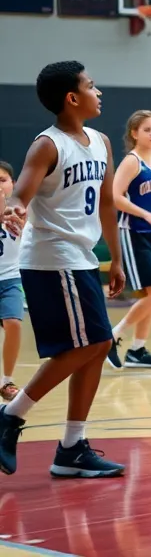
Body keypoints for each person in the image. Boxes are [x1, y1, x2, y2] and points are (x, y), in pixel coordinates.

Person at [0, 61, 126, 479]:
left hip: (83, 258)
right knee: (89, 345)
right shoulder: (47, 145)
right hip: (52, 258)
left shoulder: (102, 142)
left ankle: (72, 447)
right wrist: (15, 211)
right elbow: (21, 191)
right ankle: (11, 415)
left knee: (96, 346)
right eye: (92, 86)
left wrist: (116, 256)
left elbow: (107, 203)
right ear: (73, 98)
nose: (99, 91)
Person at [108, 110, 151, 370]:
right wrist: (146, 215)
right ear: (134, 134)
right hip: (132, 231)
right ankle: (113, 336)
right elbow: (115, 196)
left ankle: (137, 350)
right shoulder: (132, 162)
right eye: (147, 129)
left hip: (149, 233)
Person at [0, 162, 22, 402]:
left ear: (13, 184)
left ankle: (6, 380)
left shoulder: (22, 210)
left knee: (14, 323)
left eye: (2, 179)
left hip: (10, 278)